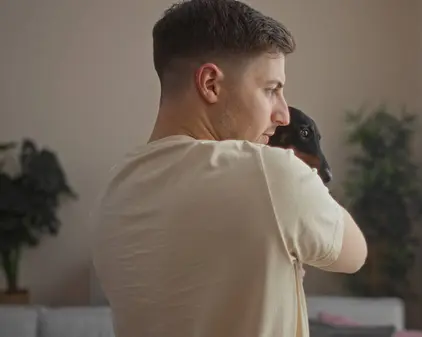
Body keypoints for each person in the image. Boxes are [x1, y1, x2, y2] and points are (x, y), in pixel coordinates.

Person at [90, 1, 367, 336]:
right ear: (210, 84)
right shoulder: (271, 174)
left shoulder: (115, 189)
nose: (282, 115)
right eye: (270, 90)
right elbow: (354, 254)